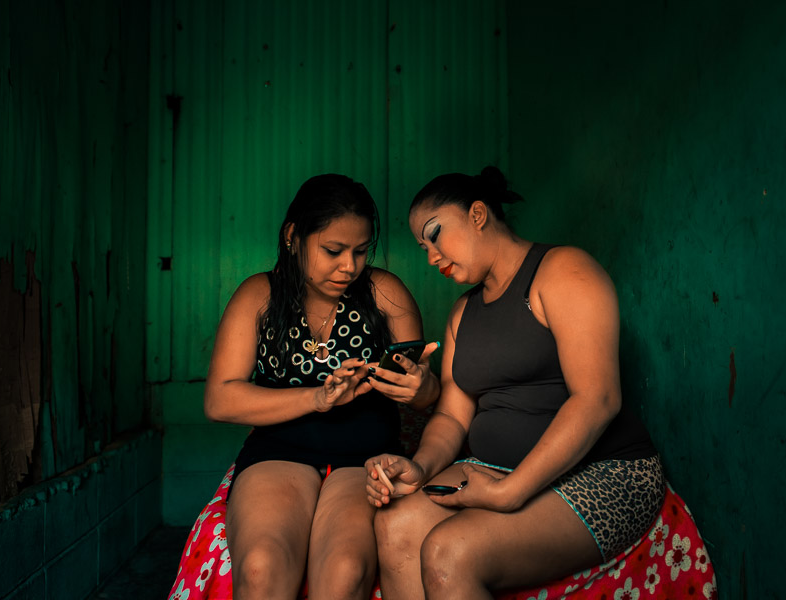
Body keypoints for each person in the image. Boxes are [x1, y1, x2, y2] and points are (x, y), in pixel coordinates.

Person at [364, 167, 664, 599]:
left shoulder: (562, 270)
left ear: (479, 214)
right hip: (498, 469)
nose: (430, 256)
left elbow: (597, 399)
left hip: (606, 473)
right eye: (422, 246)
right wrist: (421, 467)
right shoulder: (462, 312)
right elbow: (451, 412)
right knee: (394, 523)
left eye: (436, 235)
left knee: (449, 552)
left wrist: (509, 491)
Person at [205, 174, 440, 600]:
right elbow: (220, 399)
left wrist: (422, 390)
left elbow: (429, 400)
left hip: (364, 455)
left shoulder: (385, 293)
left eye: (360, 251)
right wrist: (317, 398)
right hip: (280, 451)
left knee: (345, 571)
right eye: (333, 251)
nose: (349, 266)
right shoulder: (260, 295)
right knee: (260, 568)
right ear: (294, 237)